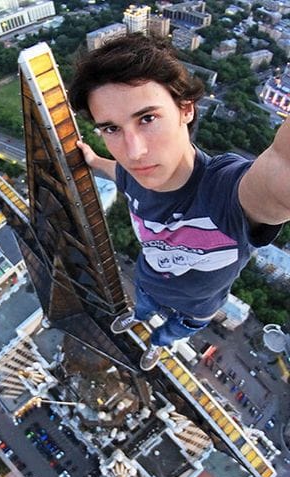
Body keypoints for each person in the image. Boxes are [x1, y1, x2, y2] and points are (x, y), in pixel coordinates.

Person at [68, 34, 290, 370]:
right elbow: (120, 173)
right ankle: (137, 319)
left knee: (170, 333)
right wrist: (94, 160)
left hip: (195, 308)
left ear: (186, 109)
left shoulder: (222, 193)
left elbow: (281, 171)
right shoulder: (133, 173)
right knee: (141, 310)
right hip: (149, 282)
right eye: (112, 128)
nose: (134, 151)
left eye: (147, 118)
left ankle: (157, 345)